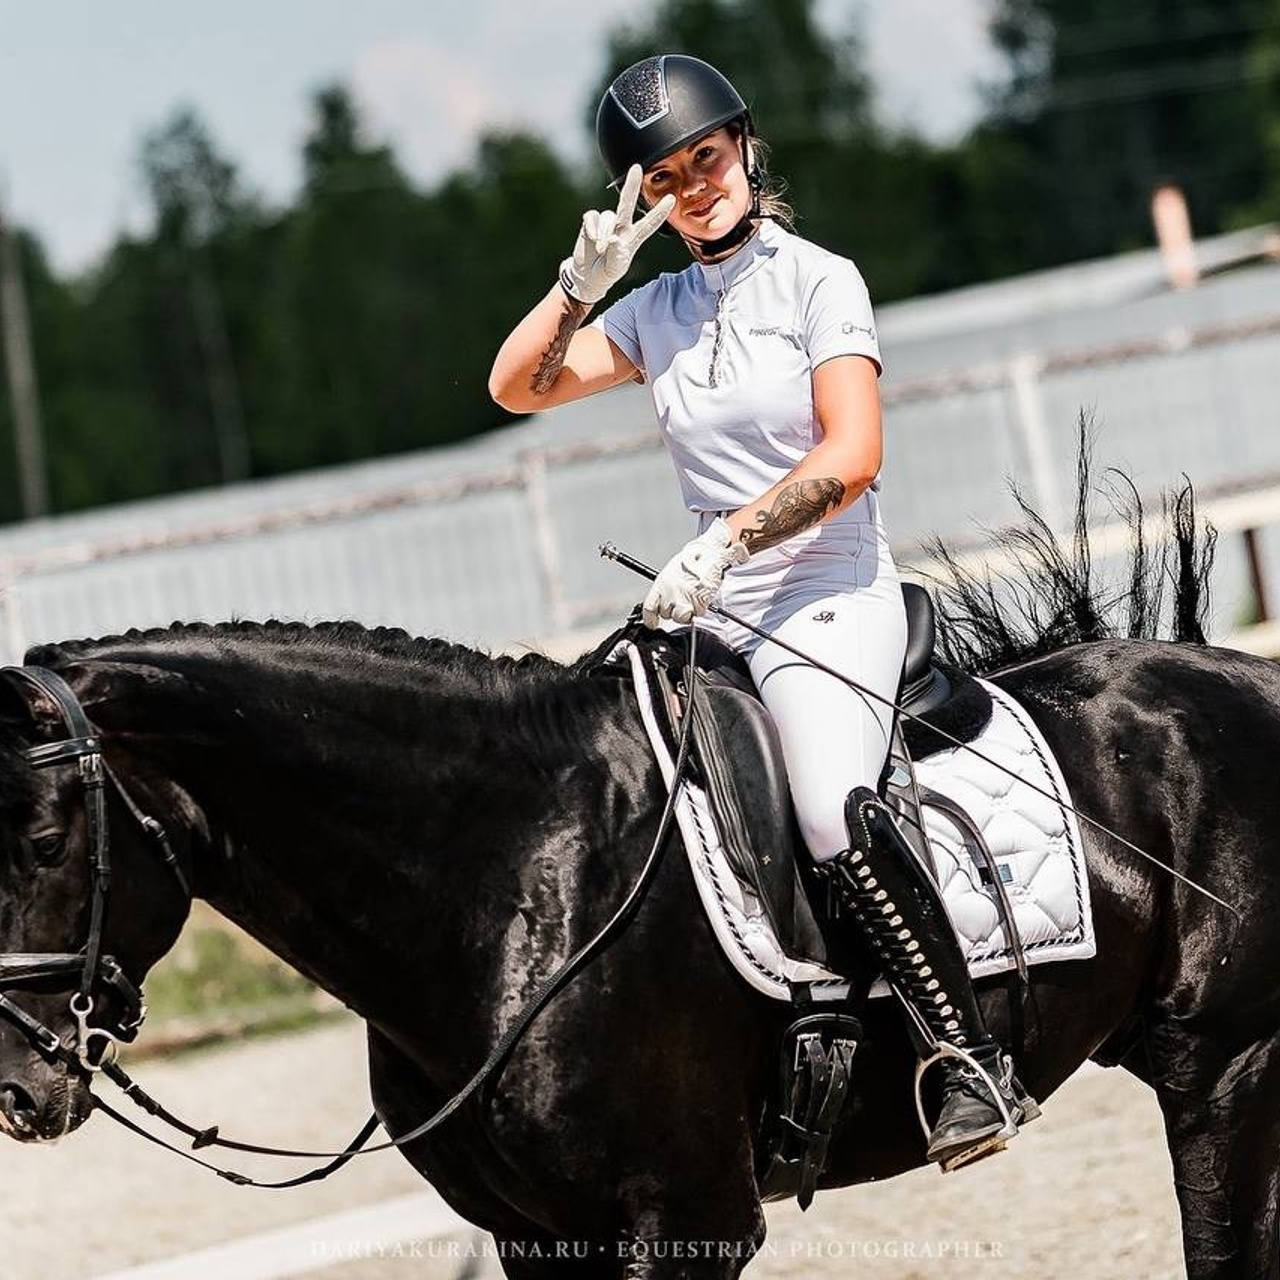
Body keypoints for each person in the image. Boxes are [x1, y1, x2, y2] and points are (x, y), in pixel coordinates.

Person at [489, 53, 1037, 1170]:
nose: (695, 186)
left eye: (706, 157)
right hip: (708, 609)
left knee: (830, 808)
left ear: (743, 147)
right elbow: (516, 386)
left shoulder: (818, 281)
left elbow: (854, 452)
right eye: (666, 177)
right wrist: (578, 285)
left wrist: (729, 539)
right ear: (643, 197)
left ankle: (967, 1056)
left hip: (824, 590)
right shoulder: (654, 311)